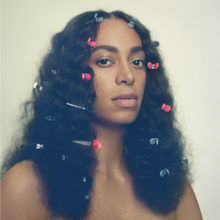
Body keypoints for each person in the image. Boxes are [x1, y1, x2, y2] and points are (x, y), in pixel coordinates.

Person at [1, 10, 203, 220]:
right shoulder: (27, 185)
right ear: (71, 76)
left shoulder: (171, 185)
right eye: (105, 61)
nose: (128, 76)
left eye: (137, 61)